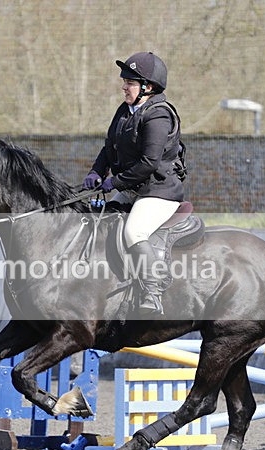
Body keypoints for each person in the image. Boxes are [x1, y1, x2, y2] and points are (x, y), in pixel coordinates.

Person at [82, 51, 185, 316]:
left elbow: (149, 163)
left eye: (129, 82)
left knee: (134, 232)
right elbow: (109, 147)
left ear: (147, 87)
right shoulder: (125, 110)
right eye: (124, 81)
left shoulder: (159, 115)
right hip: (133, 189)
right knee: (99, 223)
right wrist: (96, 172)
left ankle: (153, 291)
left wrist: (114, 182)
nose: (124, 87)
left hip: (158, 191)